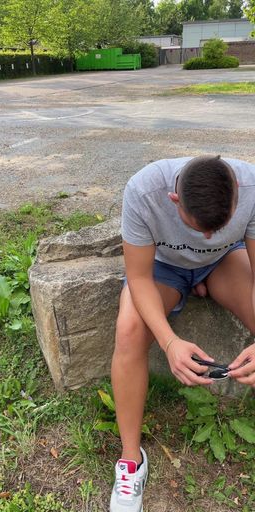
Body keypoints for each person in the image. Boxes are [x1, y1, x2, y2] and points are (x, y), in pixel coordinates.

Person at [109, 155, 255, 512]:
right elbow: (139, 278)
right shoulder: (143, 190)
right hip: (162, 269)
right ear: (173, 199)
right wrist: (169, 341)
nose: (207, 236)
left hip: (224, 262)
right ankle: (131, 460)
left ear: (237, 191)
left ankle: (209, 281)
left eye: (217, 228)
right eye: (198, 227)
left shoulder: (252, 186)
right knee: (129, 329)